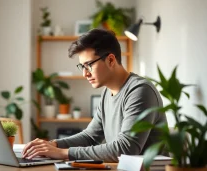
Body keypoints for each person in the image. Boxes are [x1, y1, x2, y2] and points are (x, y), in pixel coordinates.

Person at [22, 29, 167, 162]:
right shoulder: (106, 93)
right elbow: (91, 136)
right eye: (82, 66)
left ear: (110, 60)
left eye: (89, 65)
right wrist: (51, 145)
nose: (85, 73)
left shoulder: (139, 90)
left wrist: (63, 153)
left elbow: (126, 148)